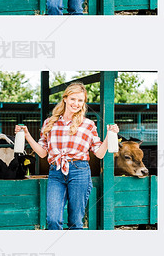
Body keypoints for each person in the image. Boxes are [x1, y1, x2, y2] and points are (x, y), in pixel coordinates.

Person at [15, 82, 119, 230]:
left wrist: (110, 135)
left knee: (75, 222)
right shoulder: (50, 123)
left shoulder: (88, 124)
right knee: (52, 219)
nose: (76, 104)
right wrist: (26, 135)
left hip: (79, 171)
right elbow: (43, 152)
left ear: (83, 103)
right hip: (56, 171)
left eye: (80, 100)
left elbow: (100, 154)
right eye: (73, 99)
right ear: (65, 98)